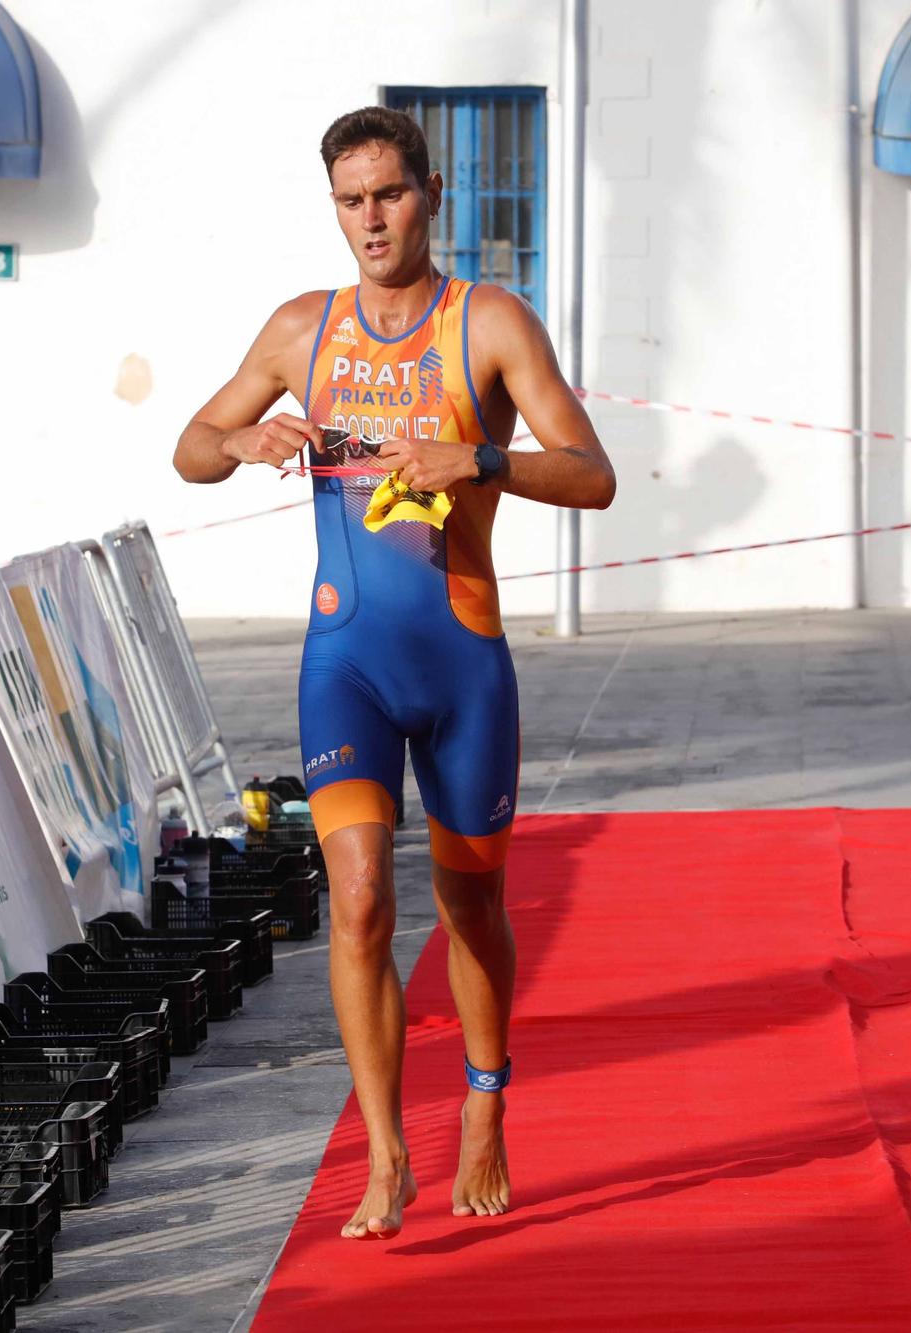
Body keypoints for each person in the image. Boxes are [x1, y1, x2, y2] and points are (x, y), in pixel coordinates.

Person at [173, 106, 616, 1240]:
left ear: (429, 193)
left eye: (388, 194)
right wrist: (240, 442)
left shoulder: (490, 323)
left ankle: (483, 1100)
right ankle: (382, 1153)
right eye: (349, 200)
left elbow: (590, 473)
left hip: (463, 662)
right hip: (347, 661)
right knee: (361, 901)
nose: (370, 219)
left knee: (470, 904)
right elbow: (190, 447)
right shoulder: (299, 331)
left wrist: (474, 457)